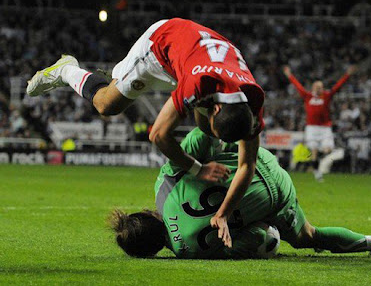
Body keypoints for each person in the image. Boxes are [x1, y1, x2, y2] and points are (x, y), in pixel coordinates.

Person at [27, 18, 266, 246]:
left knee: (206, 129)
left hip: (196, 52)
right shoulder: (198, 84)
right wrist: (197, 168)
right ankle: (67, 69)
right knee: (107, 105)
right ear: (216, 107)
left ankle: (117, 78)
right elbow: (158, 135)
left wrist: (224, 214)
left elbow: (248, 165)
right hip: (160, 47)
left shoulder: (253, 100)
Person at [110, 128, 371, 259]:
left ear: (151, 251)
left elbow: (257, 239)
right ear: (148, 213)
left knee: (308, 237)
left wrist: (264, 234)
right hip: (256, 159)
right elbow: (199, 139)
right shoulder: (164, 187)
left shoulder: (190, 252)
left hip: (276, 198)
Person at [283, 65, 357, 181]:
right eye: (318, 87)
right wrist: (289, 75)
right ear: (313, 88)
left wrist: (347, 75)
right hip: (311, 128)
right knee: (314, 151)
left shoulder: (327, 96)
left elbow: (338, 86)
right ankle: (317, 172)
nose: (319, 89)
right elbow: (298, 86)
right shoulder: (307, 96)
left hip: (325, 127)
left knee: (328, 149)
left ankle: (317, 164)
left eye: (321, 87)